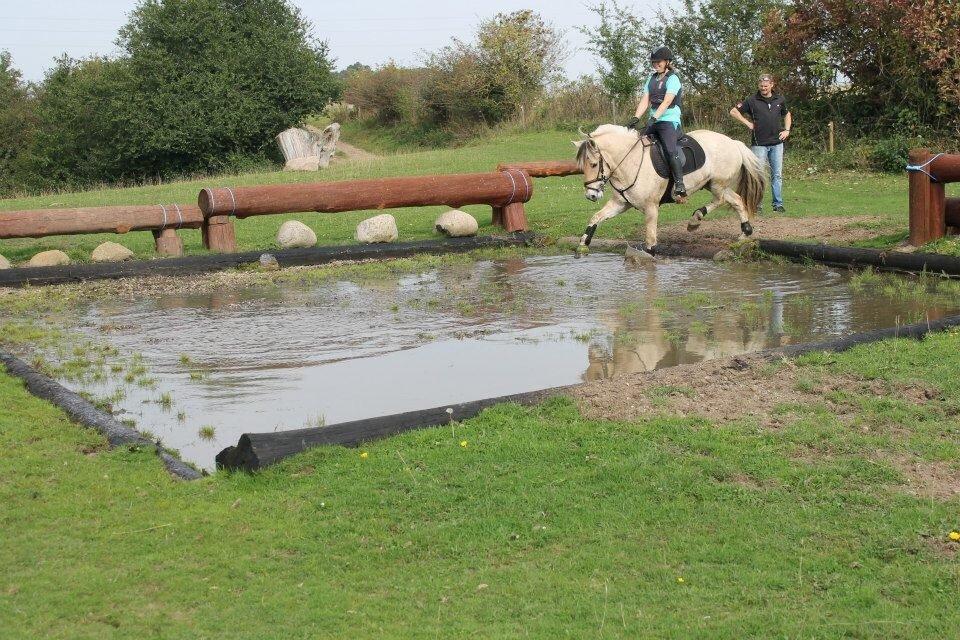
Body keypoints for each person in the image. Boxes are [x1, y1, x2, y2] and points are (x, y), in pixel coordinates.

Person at [625, 46, 686, 203]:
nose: (655, 64)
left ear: (667, 62)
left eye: (658, 62)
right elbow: (645, 100)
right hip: (654, 120)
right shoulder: (651, 79)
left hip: (669, 121)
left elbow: (667, 101)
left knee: (670, 150)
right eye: (653, 62)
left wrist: (655, 117)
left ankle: (679, 184)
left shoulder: (673, 79)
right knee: (636, 145)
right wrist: (636, 118)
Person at [730, 73, 792, 212]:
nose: (763, 88)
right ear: (759, 85)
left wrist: (787, 130)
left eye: (766, 86)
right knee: (758, 176)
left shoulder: (779, 99)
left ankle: (778, 205)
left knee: (777, 175)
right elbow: (734, 111)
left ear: (771, 85)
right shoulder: (752, 100)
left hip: (777, 143)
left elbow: (787, 113)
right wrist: (747, 123)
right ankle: (758, 206)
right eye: (761, 86)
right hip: (759, 145)